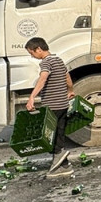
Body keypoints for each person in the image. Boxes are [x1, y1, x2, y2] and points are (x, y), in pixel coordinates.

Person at [24, 37, 76, 178]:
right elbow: (67, 77)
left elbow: (43, 78)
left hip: (52, 106)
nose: (32, 56)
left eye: (32, 53)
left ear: (39, 49)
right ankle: (65, 165)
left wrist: (32, 97)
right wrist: (70, 90)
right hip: (63, 105)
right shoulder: (58, 60)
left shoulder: (46, 63)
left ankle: (59, 159)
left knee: (51, 137)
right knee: (59, 133)